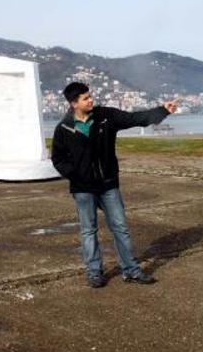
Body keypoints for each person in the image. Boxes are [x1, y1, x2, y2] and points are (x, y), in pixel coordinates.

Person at [51, 82, 178, 288]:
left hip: (108, 184)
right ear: (74, 103)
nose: (91, 100)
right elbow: (57, 158)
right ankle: (94, 273)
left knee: (120, 228)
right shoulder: (64, 128)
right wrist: (75, 175)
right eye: (85, 98)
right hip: (83, 189)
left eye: (90, 96)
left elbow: (134, 119)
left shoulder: (106, 116)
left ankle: (131, 271)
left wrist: (163, 110)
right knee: (88, 231)